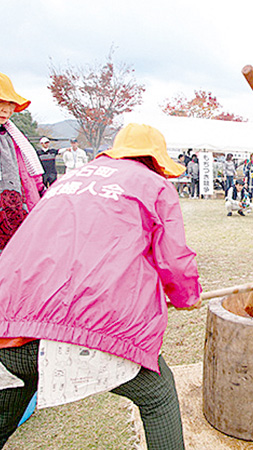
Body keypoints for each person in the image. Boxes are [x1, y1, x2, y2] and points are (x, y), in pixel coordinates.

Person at [0, 123, 201, 449]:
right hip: (93, 323)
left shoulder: (69, 179)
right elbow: (175, 261)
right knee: (157, 397)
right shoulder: (154, 185)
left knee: (16, 389)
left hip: (12, 319)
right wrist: (187, 297)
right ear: (155, 161)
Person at [0, 72, 45, 253]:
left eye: (9, 106)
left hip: (15, 209)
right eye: (0, 104)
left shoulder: (16, 139)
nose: (5, 111)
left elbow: (29, 175)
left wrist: (40, 193)